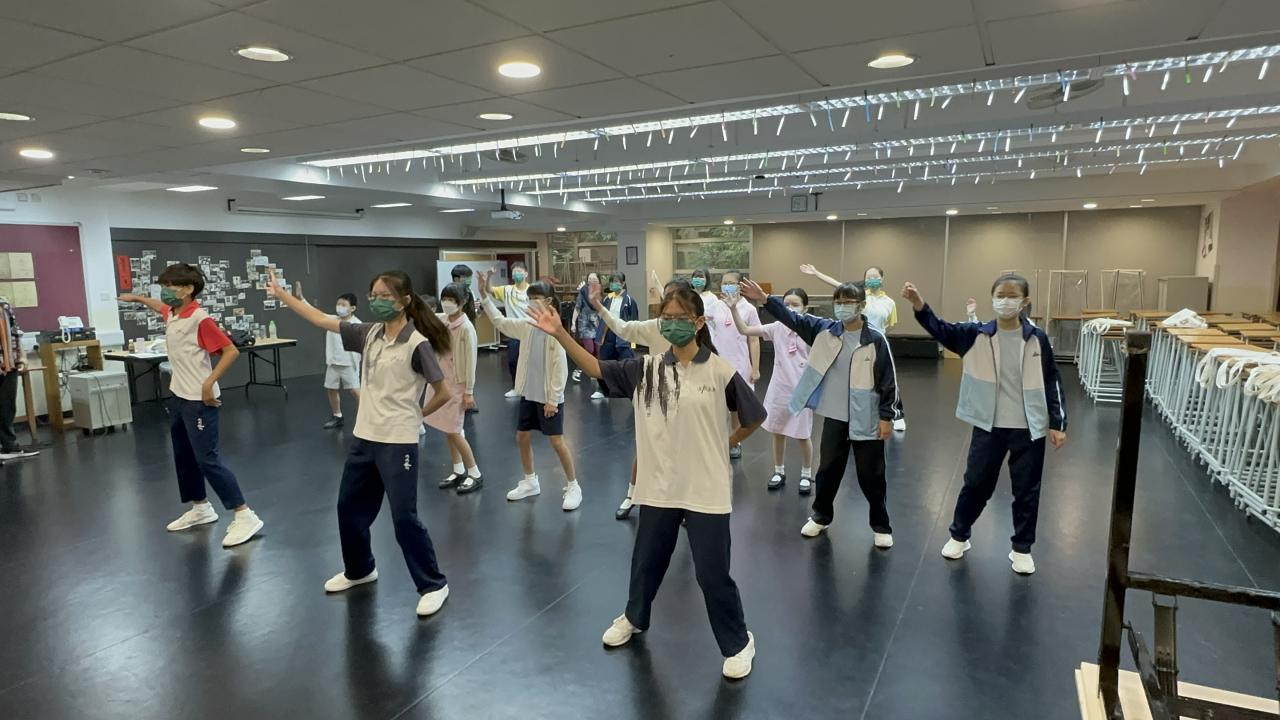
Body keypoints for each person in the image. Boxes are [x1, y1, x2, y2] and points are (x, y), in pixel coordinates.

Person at [526, 284, 766, 680]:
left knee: (711, 573)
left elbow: (754, 417)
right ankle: (635, 617)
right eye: (665, 319)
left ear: (698, 322)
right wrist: (560, 333)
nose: (671, 325)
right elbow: (596, 367)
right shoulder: (645, 368)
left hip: (706, 488)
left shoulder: (720, 371)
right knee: (647, 562)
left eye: (680, 319)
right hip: (658, 487)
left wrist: (726, 443)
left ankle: (739, 642)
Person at [267, 268, 454, 615]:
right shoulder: (368, 334)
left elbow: (443, 391)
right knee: (348, 510)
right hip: (365, 437)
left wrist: (417, 414)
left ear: (404, 301)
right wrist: (283, 296)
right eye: (373, 296)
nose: (377, 301)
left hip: (398, 442)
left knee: (404, 518)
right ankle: (360, 569)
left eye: (385, 296)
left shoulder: (417, 343)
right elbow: (321, 319)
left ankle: (433, 584)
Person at [903, 275, 1067, 576]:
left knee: (1027, 490)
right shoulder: (976, 334)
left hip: (1029, 426)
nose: (1005, 301)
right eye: (1000, 295)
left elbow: (1051, 379)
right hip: (989, 424)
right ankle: (959, 535)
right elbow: (941, 329)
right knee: (976, 483)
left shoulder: (1037, 338)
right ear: (992, 298)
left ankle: (1022, 548)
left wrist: (1058, 421)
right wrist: (919, 306)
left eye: (1012, 295)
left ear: (1025, 301)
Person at [739, 278, 897, 547]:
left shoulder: (875, 339)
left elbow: (888, 380)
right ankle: (821, 516)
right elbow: (792, 319)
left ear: (861, 306)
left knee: (871, 474)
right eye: (838, 302)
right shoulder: (825, 330)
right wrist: (765, 300)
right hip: (835, 415)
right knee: (827, 471)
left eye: (848, 302)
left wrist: (887, 416)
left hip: (867, 417)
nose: (842, 307)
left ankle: (881, 526)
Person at [117, 264, 263, 547]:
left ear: (187, 289)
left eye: (169, 286)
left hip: (200, 400)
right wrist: (137, 298)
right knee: (184, 455)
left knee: (207, 458)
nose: (164, 291)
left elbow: (231, 351)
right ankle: (200, 507)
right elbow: (159, 306)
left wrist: (209, 383)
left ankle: (244, 514)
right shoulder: (173, 313)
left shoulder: (199, 319)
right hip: (180, 396)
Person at [478, 270, 582, 511]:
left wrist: (553, 399)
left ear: (548, 301)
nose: (531, 302)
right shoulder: (527, 325)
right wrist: (484, 296)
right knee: (522, 436)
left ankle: (573, 486)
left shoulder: (556, 331)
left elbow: (560, 367)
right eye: (529, 298)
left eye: (535, 298)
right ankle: (530, 481)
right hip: (529, 393)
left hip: (549, 398)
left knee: (557, 441)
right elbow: (500, 322)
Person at [589, 277, 692, 519]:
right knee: (646, 447)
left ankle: (687, 502)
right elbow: (623, 328)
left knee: (686, 449)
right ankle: (632, 494)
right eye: (668, 297)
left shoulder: (696, 326)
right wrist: (599, 306)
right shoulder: (655, 326)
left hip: (688, 397)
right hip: (657, 393)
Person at [801, 264, 907, 431]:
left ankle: (896, 415)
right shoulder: (859, 297)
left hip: (876, 345)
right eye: (869, 277)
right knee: (859, 381)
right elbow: (836, 284)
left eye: (875, 277)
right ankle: (852, 413)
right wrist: (816, 273)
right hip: (856, 344)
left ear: (882, 278)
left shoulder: (889, 302)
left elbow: (891, 324)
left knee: (886, 380)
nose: (872, 279)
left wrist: (878, 336)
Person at [728, 288, 814, 493]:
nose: (790, 308)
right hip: (780, 388)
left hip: (802, 389)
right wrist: (733, 309)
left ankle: (806, 473)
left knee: (803, 434)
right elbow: (745, 330)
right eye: (786, 304)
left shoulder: (811, 328)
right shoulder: (777, 327)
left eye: (795, 305)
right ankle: (778, 470)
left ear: (805, 308)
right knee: (777, 430)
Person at [430, 283, 483, 494]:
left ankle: (475, 472)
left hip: (458, 385)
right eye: (444, 299)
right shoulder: (443, 320)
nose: (447, 303)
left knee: (453, 429)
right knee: (449, 428)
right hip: (442, 382)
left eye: (452, 300)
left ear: (462, 303)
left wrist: (469, 391)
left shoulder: (466, 328)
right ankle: (458, 469)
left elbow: (471, 362)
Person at [704, 270, 760, 459]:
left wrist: (755, 368)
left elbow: (754, 340)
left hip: (739, 363)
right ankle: (717, 440)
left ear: (740, 286)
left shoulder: (749, 309)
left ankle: (735, 442)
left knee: (735, 406)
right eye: (724, 282)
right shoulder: (715, 306)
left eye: (731, 283)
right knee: (718, 404)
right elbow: (703, 323)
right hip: (717, 362)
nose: (726, 286)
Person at [0, 295, 36, 461]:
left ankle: (9, 446)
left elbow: (15, 333)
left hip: (9, 363)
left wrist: (22, 357)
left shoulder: (4, 304)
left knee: (7, 406)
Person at [489, 261, 532, 398]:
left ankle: (531, 387)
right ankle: (516, 387)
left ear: (526, 273)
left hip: (530, 330)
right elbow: (489, 290)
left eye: (519, 271)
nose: (516, 274)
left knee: (531, 362)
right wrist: (489, 277)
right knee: (513, 361)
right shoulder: (507, 290)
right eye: (514, 272)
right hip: (514, 331)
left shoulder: (532, 291)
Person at [594, 272, 639, 400]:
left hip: (623, 336)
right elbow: (602, 317)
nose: (614, 284)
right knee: (603, 362)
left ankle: (634, 391)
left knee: (628, 365)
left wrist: (633, 343)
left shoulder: (629, 300)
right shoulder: (607, 299)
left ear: (623, 284)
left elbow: (634, 322)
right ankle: (603, 390)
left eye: (617, 282)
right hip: (608, 334)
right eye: (612, 282)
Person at [322, 293, 362, 430]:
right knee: (331, 388)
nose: (340, 307)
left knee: (355, 391)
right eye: (338, 304)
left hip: (349, 364)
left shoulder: (357, 324)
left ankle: (364, 419)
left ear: (353, 308)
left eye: (343, 305)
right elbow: (314, 313)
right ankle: (337, 416)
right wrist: (301, 299)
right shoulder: (332, 320)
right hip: (333, 362)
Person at [570, 273, 602, 383]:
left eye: (594, 278)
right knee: (589, 349)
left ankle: (594, 372)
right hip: (585, 325)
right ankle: (578, 370)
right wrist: (573, 322)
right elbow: (577, 308)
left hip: (597, 325)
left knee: (597, 350)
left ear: (598, 280)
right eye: (590, 278)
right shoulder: (582, 293)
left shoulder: (600, 293)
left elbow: (597, 306)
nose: (592, 280)